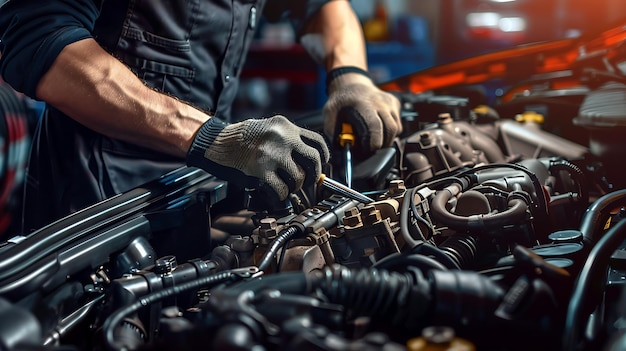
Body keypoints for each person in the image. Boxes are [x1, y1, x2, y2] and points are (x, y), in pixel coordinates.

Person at [0, 0, 402, 233]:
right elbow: (40, 41)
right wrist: (211, 138)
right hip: (98, 207)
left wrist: (350, 75)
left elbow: (319, 6)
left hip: (204, 188)